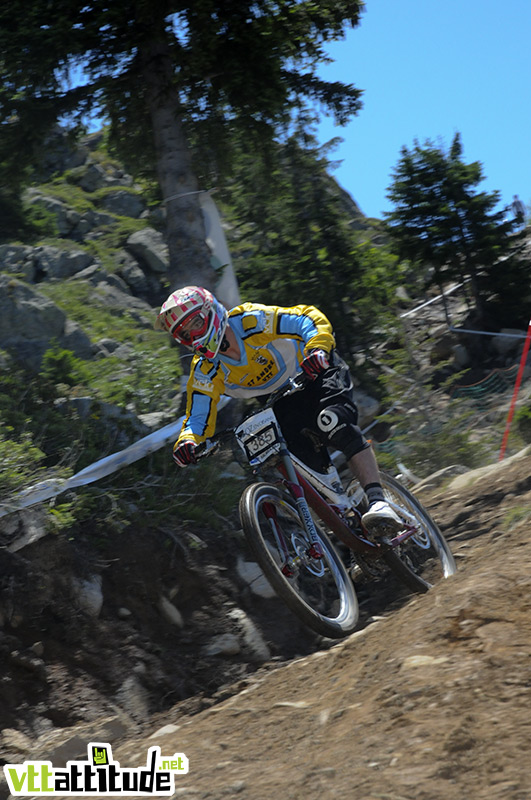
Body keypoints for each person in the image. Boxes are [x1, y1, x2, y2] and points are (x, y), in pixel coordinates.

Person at [154, 286, 402, 535]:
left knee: (333, 422)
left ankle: (378, 501)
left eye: (195, 322)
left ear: (212, 312)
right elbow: (197, 414)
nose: (193, 334)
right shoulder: (205, 369)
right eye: (184, 333)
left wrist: (317, 347)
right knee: (298, 467)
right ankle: (352, 533)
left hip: (314, 371)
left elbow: (304, 319)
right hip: (281, 399)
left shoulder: (251, 321)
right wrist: (188, 441)